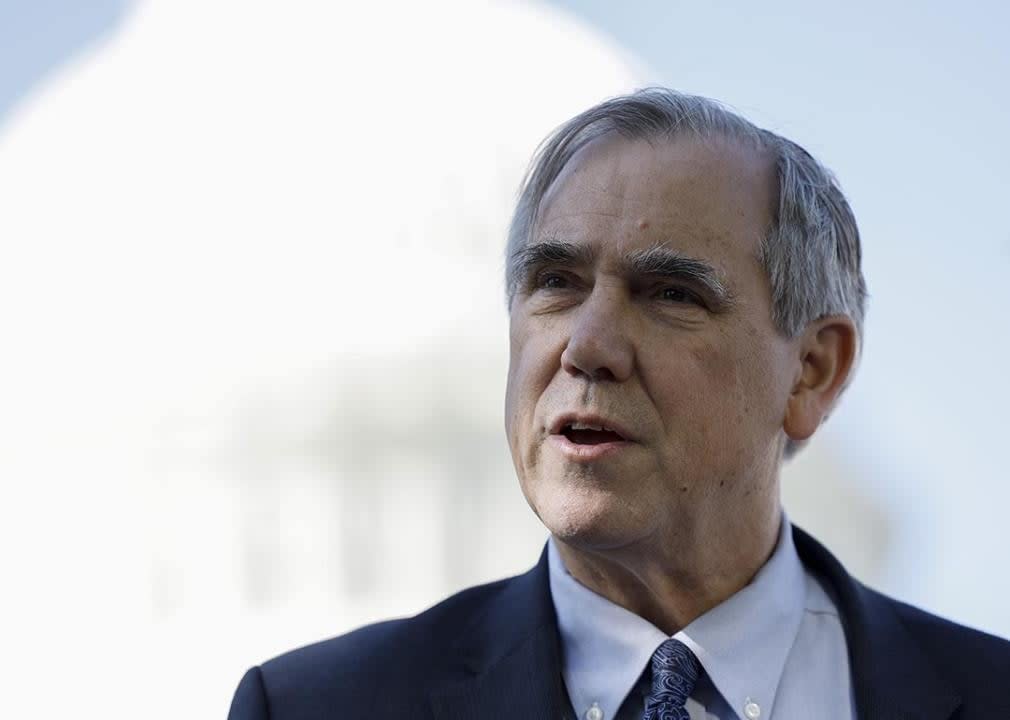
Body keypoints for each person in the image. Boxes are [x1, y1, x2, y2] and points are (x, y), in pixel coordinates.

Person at [227, 88, 1010, 720]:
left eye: (670, 294)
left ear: (811, 371)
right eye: (556, 283)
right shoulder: (312, 707)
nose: (586, 345)